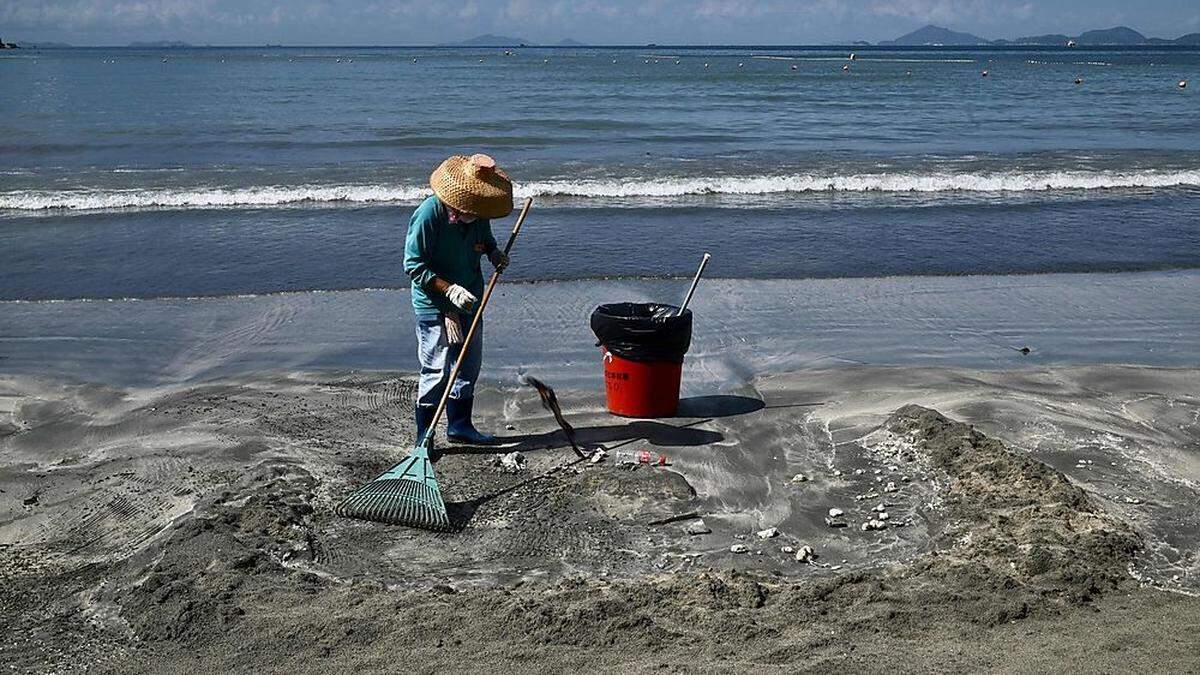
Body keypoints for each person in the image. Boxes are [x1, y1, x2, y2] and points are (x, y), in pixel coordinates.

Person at [404, 153, 513, 448]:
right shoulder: (429, 214)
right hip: (435, 305)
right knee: (437, 370)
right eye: (468, 209)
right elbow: (413, 265)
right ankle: (423, 440)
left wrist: (494, 254)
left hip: (470, 300)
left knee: (467, 365)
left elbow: (485, 241)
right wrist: (448, 289)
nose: (473, 215)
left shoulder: (477, 213)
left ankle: (460, 426)